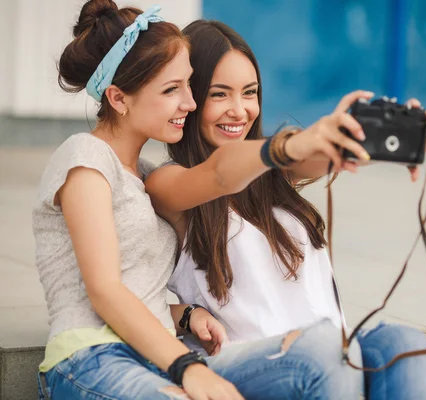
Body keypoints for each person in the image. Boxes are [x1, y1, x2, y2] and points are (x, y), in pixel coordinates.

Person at [32, 1, 383, 399]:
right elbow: (105, 291)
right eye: (172, 89)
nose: (190, 102)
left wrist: (185, 315)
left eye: (188, 86)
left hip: (151, 351)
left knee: (400, 349)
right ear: (118, 98)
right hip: (92, 356)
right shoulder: (85, 158)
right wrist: (186, 367)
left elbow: (138, 287)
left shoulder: (143, 175)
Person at [146, 20, 426, 400]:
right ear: (192, 98)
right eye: (220, 95)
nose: (240, 110)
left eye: (250, 93)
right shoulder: (169, 184)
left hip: (334, 357)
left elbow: (337, 148)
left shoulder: (272, 174)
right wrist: (291, 146)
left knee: (407, 344)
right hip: (257, 364)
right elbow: (223, 173)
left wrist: (412, 137)